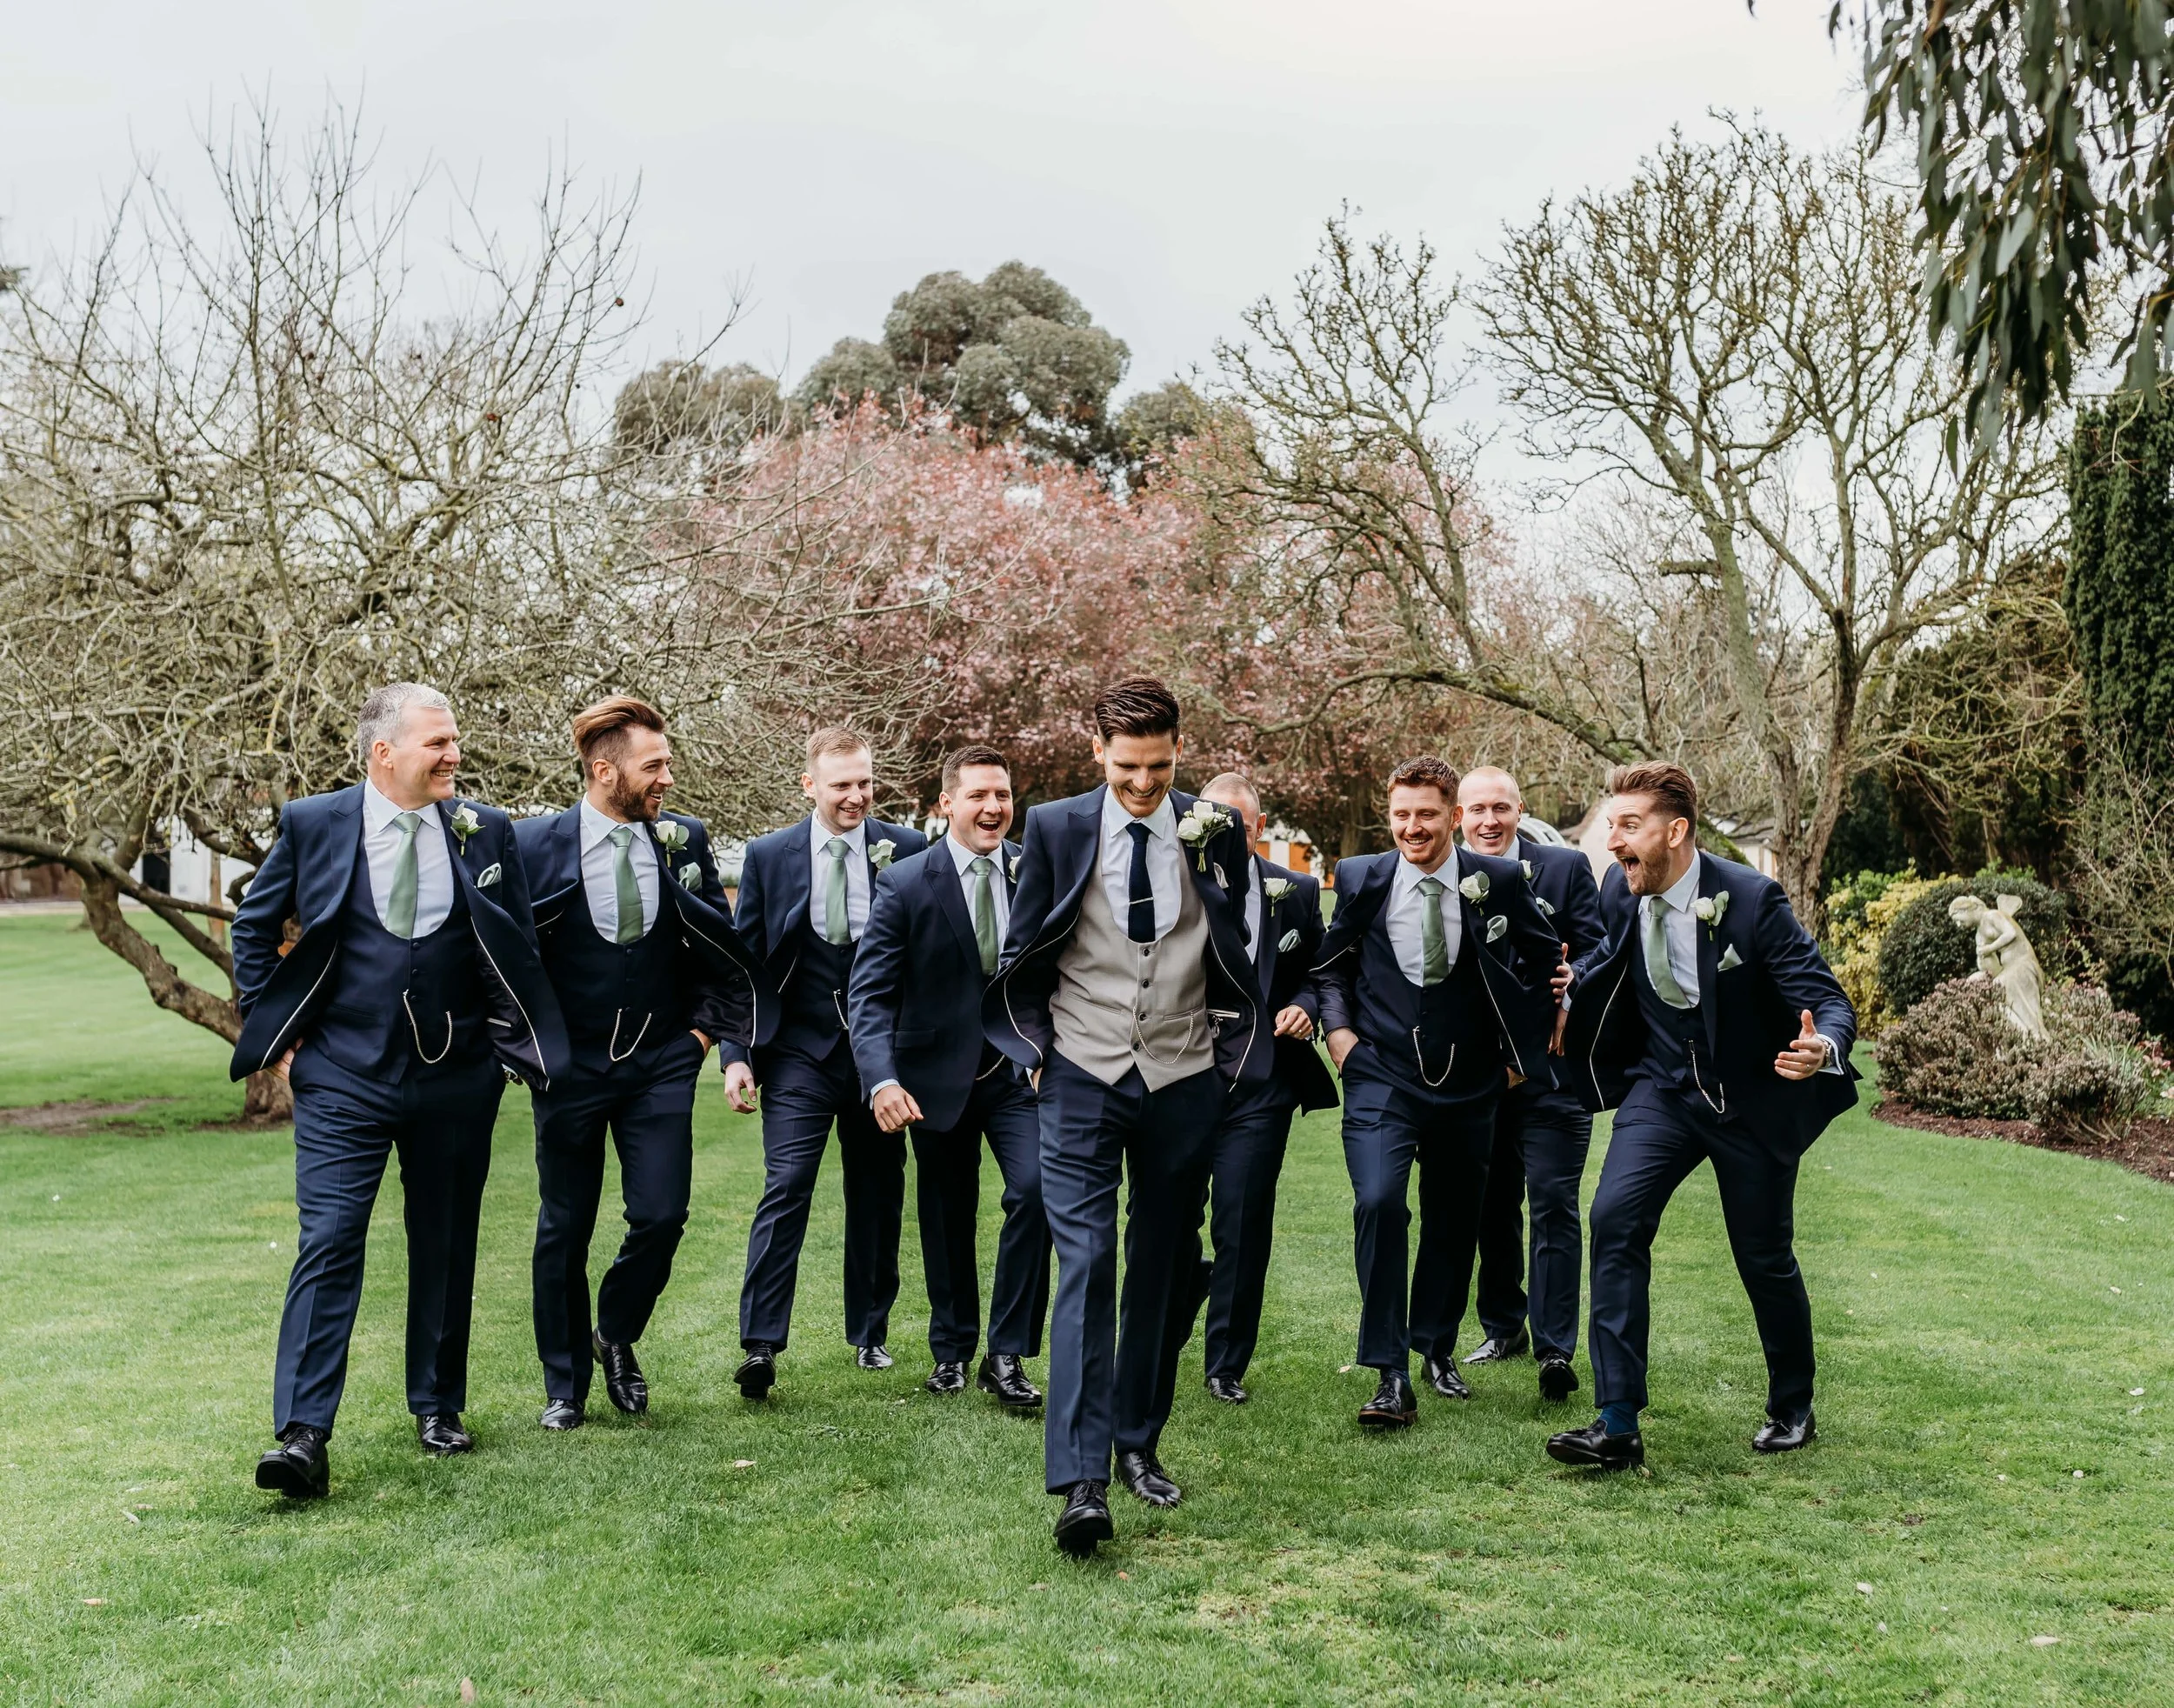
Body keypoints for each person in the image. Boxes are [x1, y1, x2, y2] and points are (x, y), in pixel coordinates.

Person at [231, 683, 568, 1498]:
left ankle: (438, 1405)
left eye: (454, 742)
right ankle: (305, 1434)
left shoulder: (486, 829)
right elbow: (255, 925)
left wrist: (501, 1048)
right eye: (437, 744)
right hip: (343, 1075)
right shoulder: (315, 824)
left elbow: (515, 944)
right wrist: (284, 1030)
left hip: (457, 1078)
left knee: (446, 1241)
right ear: (384, 753)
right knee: (331, 1238)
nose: (454, 755)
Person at [985, 677, 1269, 1558]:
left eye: (1157, 765)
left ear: (1178, 749)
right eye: (1125, 766)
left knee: (1160, 1261)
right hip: (1080, 1071)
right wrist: (1034, 1049)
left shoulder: (1213, 831)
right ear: (1097, 752)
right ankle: (1080, 1481)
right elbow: (1023, 948)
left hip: (1184, 1075)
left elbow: (1238, 944)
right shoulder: (1059, 825)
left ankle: (1138, 1441)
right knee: (1087, 1260)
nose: (1142, 784)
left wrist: (1226, 1061)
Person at [1551, 761, 1857, 1471]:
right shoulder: (1621, 887)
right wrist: (1574, 981)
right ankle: (1617, 1423)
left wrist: (1823, 1046)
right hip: (1662, 1091)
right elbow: (1611, 953)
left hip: (1751, 1101)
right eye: (1611, 826)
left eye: (1628, 826)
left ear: (1677, 831)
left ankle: (1792, 1406)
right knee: (1615, 1220)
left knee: (1763, 1258)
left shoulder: (1750, 900)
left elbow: (1829, 998)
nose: (1613, 840)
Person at [513, 697, 765, 1431]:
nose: (667, 778)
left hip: (659, 1061)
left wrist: (703, 1039)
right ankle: (566, 1386)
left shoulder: (684, 843)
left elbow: (718, 948)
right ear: (604, 771)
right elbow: (500, 957)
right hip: (570, 1069)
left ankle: (614, 1331)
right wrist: (526, 1049)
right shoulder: (532, 846)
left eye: (667, 763)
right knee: (565, 1224)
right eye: (653, 766)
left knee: (662, 1214)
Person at [1301, 757, 1562, 1431]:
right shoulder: (1362, 876)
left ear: (1453, 816)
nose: (1412, 828)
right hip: (1381, 1072)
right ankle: (1389, 1373)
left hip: (1472, 1081)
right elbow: (1329, 964)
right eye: (1400, 815)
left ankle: (1435, 1348)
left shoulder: (1497, 880)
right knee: (1380, 1202)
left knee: (1453, 1223)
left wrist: (1518, 1061)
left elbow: (1542, 960)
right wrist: (1340, 1038)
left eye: (1426, 815)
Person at [723, 729, 928, 1397]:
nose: (856, 796)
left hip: (880, 1059)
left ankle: (869, 1334)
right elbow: (743, 963)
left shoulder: (909, 850)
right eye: (841, 784)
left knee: (878, 1193)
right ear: (810, 785)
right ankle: (760, 1345)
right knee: (786, 1185)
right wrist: (737, 1054)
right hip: (798, 1054)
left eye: (865, 783)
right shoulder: (769, 856)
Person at [848, 744, 1050, 1408]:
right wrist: (881, 1080)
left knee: (1036, 1194)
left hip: (1023, 1074)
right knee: (944, 1215)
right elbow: (871, 994)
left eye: (1002, 795)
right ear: (947, 804)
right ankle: (951, 1350)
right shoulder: (905, 883)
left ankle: (1009, 1353)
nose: (993, 808)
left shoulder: (1037, 872)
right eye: (978, 796)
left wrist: (1057, 1051)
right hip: (933, 1077)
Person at [1181, 773, 1337, 1406]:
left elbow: (1318, 973)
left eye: (1239, 825)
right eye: (1216, 824)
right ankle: (1178, 1301)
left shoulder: (1295, 891)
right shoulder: (1176, 884)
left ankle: (1226, 1365)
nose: (1230, 836)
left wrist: (1305, 1007)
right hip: (1182, 1079)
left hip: (1263, 1083)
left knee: (1243, 1222)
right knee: (1167, 1220)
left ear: (1258, 825)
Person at [1456, 766, 1606, 1405]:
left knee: (1552, 1204)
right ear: (1459, 816)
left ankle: (1554, 1348)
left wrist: (1576, 976)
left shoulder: (1565, 869)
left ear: (1520, 809)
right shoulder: (1445, 872)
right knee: (1490, 1206)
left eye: (1500, 808)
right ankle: (1501, 1328)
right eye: (1477, 810)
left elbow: (1602, 947)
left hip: (1551, 1072)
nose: (1489, 821)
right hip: (1476, 1077)